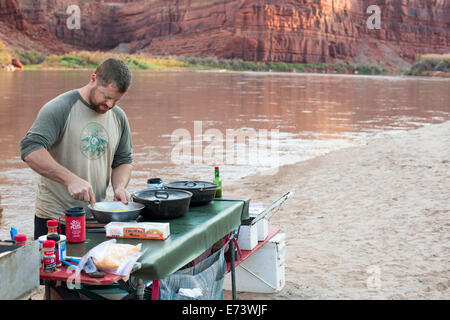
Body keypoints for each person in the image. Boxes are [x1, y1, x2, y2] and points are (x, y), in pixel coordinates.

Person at [20, 58, 133, 240]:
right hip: (56, 220)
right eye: (106, 96)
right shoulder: (60, 107)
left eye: (116, 100)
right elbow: (30, 149)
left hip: (98, 219)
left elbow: (123, 160)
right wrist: (70, 179)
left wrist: (119, 187)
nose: (110, 105)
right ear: (93, 78)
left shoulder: (118, 117)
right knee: (54, 268)